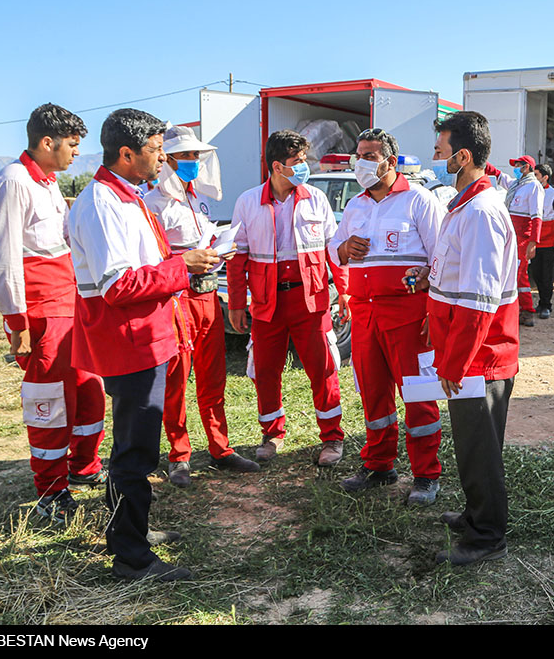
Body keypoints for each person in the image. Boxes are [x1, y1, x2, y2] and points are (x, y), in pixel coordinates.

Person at [68, 108, 219, 581]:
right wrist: (183, 267)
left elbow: (139, 266)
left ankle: (131, 529)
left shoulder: (126, 197)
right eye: (156, 150)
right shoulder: (102, 203)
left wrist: (181, 263)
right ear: (126, 153)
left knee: (138, 448)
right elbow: (118, 286)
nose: (163, 159)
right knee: (133, 452)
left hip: (147, 336)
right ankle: (131, 557)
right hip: (129, 342)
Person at [0, 103, 107, 522]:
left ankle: (84, 468)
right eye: (72, 145)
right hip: (39, 311)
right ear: (47, 142)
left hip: (69, 304)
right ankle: (50, 493)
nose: (76, 153)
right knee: (51, 402)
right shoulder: (13, 181)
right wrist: (17, 323)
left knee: (89, 390)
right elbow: (3, 258)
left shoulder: (49, 181)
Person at [417, 111, 519, 566]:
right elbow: (453, 278)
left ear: (462, 155)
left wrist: (455, 363)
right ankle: (477, 514)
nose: (435, 159)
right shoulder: (464, 204)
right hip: (468, 352)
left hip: (479, 356)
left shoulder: (479, 212)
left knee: (479, 449)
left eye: (440, 152)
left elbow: (479, 301)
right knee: (476, 443)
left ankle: (486, 537)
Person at [329, 129, 446, 504]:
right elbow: (335, 249)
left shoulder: (419, 200)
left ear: (390, 161)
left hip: (408, 315)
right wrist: (345, 248)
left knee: (418, 394)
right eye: (357, 155)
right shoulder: (356, 205)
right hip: (365, 314)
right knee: (373, 394)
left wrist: (433, 308)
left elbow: (442, 256)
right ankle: (379, 464)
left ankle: (427, 474)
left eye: (368, 155)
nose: (359, 162)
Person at [144, 125, 259, 486]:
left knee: (214, 375)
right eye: (188, 156)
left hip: (208, 295)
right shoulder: (152, 203)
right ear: (170, 159)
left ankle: (220, 447)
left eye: (197, 156)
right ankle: (179, 455)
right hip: (177, 300)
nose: (195, 162)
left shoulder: (198, 198)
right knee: (177, 377)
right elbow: (153, 258)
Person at [226, 130, 348, 465]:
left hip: (310, 301)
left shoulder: (316, 199)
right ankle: (271, 435)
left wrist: (345, 293)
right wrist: (236, 303)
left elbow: (332, 251)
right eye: (298, 162)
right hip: (267, 303)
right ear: (278, 166)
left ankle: (332, 438)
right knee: (265, 370)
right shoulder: (248, 202)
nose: (305, 167)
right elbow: (237, 259)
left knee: (323, 369)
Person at [484, 156, 544, 326]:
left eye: (518, 165)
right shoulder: (517, 185)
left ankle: (527, 311)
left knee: (519, 275)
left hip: (523, 239)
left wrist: (533, 242)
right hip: (511, 236)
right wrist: (481, 160)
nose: (515, 168)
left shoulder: (533, 187)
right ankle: (512, 309)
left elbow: (536, 217)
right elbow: (497, 174)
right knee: (507, 272)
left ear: (526, 167)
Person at [530, 163, 554, 319]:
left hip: (548, 241)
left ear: (545, 177)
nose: (534, 178)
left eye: (536, 175)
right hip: (534, 241)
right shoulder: (530, 192)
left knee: (546, 275)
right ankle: (539, 303)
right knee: (535, 273)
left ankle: (546, 305)